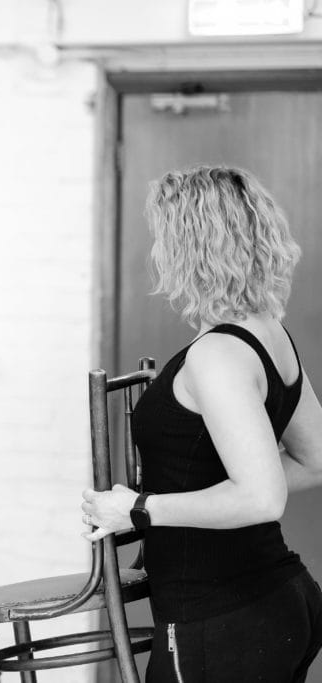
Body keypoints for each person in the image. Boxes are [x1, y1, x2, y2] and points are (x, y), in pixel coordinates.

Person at [81, 166, 322, 682]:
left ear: (191, 247)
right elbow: (314, 459)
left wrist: (139, 509)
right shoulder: (267, 333)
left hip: (220, 625)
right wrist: (209, 493)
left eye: (163, 238)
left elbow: (262, 498)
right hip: (277, 603)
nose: (157, 253)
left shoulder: (217, 354)